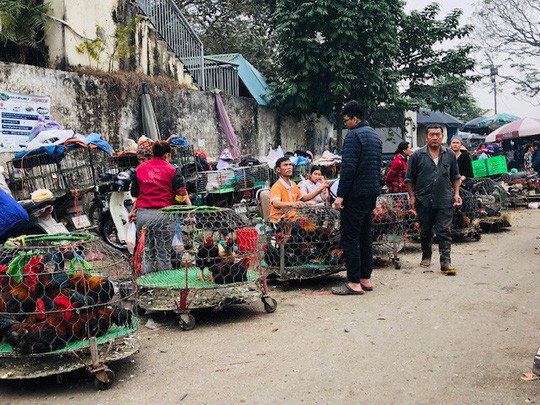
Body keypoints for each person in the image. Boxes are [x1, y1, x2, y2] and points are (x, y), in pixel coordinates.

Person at [331, 100, 382, 296]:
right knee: (365, 236)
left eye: (346, 121)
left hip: (355, 195)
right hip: (370, 194)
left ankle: (353, 282)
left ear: (355, 119)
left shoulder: (354, 137)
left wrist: (340, 195)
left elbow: (349, 169)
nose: (345, 125)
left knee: (350, 238)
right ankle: (365, 279)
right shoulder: (375, 137)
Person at [405, 124, 462, 276]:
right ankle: (426, 255)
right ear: (426, 137)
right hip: (423, 200)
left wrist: (456, 193)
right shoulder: (417, 156)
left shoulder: (450, 155)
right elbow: (409, 179)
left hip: (444, 199)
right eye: (432, 134)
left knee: (444, 231)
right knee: (426, 231)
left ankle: (445, 261)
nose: (435, 137)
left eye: (438, 134)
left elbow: (455, 177)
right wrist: (412, 196)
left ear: (442, 137)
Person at [128, 141, 192, 274]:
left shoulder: (139, 169)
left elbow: (135, 193)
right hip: (164, 214)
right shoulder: (172, 169)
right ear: (166, 155)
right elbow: (181, 192)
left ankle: (147, 283)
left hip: (143, 215)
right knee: (163, 254)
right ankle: (164, 285)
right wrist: (176, 204)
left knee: (147, 252)